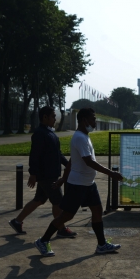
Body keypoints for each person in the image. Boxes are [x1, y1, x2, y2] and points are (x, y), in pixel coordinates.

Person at [34, 107, 124, 257]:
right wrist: (111, 173)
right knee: (66, 216)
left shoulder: (84, 136)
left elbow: (71, 162)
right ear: (84, 120)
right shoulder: (80, 138)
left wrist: (63, 179)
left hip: (88, 183)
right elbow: (89, 162)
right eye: (93, 119)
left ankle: (101, 245)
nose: (95, 122)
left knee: (97, 211)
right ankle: (42, 241)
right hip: (78, 185)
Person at [8, 106, 76, 238]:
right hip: (47, 175)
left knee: (39, 200)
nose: (54, 120)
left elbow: (58, 154)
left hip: (50, 174)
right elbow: (35, 155)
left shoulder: (50, 133)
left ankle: (17, 221)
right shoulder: (40, 134)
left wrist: (68, 165)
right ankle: (61, 228)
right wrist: (33, 174)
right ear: (45, 117)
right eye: (53, 117)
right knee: (58, 202)